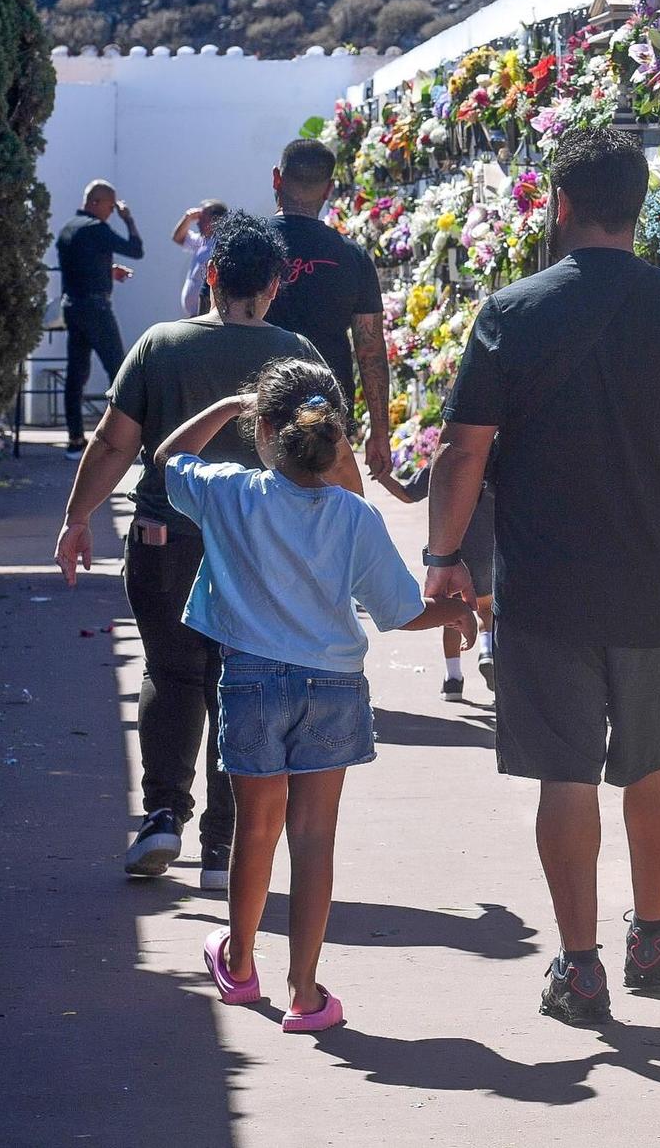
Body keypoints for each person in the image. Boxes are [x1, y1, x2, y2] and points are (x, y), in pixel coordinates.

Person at [425, 127, 660, 1027]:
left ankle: (580, 968)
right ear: (638, 208)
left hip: (548, 590)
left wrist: (445, 557)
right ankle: (652, 934)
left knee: (566, 775)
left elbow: (464, 450)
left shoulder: (512, 311)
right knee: (656, 763)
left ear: (562, 205)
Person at [155, 359, 475, 1034]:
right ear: (335, 437)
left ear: (264, 431)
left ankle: (239, 963)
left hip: (251, 682)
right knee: (314, 837)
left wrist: (231, 400)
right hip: (332, 687)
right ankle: (305, 993)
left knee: (256, 828)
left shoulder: (230, 492)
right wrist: (449, 614)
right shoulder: (354, 517)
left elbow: (167, 456)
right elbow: (398, 611)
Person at [54, 211, 338, 891]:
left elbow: (114, 442)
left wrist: (76, 517)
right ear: (274, 284)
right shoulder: (298, 356)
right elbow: (325, 457)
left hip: (164, 541)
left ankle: (161, 815)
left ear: (211, 276)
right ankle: (222, 850)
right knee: (236, 689)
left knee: (173, 672)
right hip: (262, 554)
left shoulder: (160, 344)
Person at [264, 139, 392, 485]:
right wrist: (380, 433)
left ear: (277, 178)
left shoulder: (246, 247)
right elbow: (370, 350)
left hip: (255, 412)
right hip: (326, 419)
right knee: (329, 521)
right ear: (330, 189)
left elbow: (210, 326)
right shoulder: (352, 257)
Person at [378, 456, 497, 700]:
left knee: (452, 613)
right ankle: (486, 651)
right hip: (488, 547)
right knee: (486, 608)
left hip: (449, 550)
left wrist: (381, 476)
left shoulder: (443, 462)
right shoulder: (494, 461)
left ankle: (453, 679)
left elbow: (407, 494)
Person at [56, 180, 144, 452]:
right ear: (95, 202)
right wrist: (128, 220)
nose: (112, 211)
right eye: (110, 206)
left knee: (76, 373)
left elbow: (81, 266)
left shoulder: (68, 229)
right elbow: (136, 250)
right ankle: (120, 438)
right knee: (119, 371)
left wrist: (108, 271)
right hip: (96, 309)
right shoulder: (97, 229)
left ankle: (74, 439)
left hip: (72, 307)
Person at [172, 199, 229, 318]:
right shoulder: (201, 240)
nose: (197, 222)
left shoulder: (223, 244)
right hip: (194, 315)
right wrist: (187, 218)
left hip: (207, 314)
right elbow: (178, 238)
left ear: (216, 220)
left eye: (202, 218)